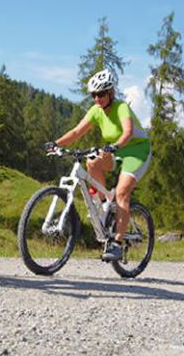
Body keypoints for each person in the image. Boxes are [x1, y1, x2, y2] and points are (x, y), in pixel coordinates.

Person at [45, 69, 152, 262]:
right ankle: (103, 204)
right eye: (93, 95)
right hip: (116, 149)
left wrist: (115, 146)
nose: (97, 99)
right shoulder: (96, 110)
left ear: (110, 92)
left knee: (122, 192)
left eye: (101, 94)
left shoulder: (121, 107)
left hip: (137, 150)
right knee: (91, 161)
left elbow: (127, 132)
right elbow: (76, 132)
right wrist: (56, 144)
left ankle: (117, 243)